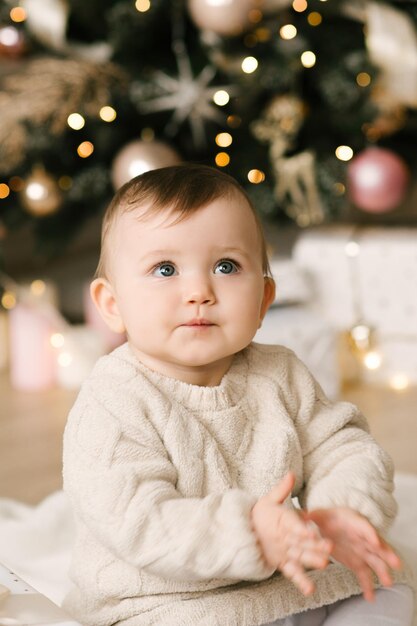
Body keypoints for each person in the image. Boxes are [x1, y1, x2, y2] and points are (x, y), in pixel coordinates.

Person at [63, 164, 414, 626]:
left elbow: (341, 445)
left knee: (388, 586)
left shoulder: (280, 371)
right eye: (164, 269)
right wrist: (250, 532)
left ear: (265, 298)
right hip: (166, 603)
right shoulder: (112, 401)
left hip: (288, 581)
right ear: (112, 304)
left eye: (226, 266)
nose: (199, 292)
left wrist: (339, 510)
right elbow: (138, 520)